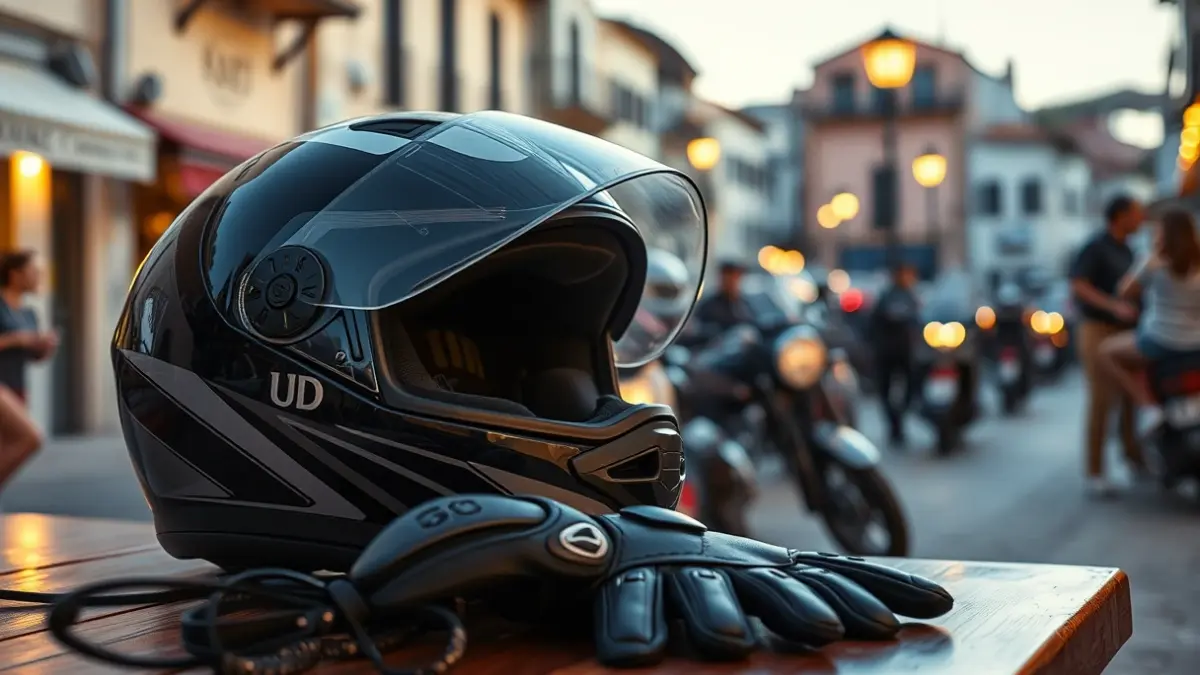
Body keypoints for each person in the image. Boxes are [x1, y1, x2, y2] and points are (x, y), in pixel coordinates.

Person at [1069, 195, 1145, 497]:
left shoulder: (1128, 249)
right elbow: (1078, 284)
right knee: (1102, 400)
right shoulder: (1095, 247)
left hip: (1125, 330)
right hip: (1098, 329)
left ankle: (1134, 457)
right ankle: (1095, 472)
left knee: (1131, 396)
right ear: (1121, 216)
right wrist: (1113, 306)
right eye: (1137, 213)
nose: (1141, 219)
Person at [1098, 208, 1200, 428]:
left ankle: (1147, 405)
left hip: (1159, 341)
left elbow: (1124, 291)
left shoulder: (1154, 262)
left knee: (1107, 352)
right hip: (1196, 344)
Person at [0, 250, 55, 491]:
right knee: (30, 438)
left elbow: (35, 356)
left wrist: (44, 347)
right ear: (15, 274)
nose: (38, 277)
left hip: (16, 387)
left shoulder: (29, 312)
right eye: (34, 272)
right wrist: (17, 339)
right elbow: (16, 341)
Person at [868, 262, 921, 447]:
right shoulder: (888, 297)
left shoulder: (912, 297)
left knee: (910, 390)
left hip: (906, 352)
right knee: (886, 392)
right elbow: (874, 323)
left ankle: (898, 421)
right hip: (888, 352)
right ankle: (894, 424)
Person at [690, 259, 754, 333]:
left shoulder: (745, 305)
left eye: (735, 277)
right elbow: (697, 328)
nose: (731, 281)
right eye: (727, 276)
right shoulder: (709, 305)